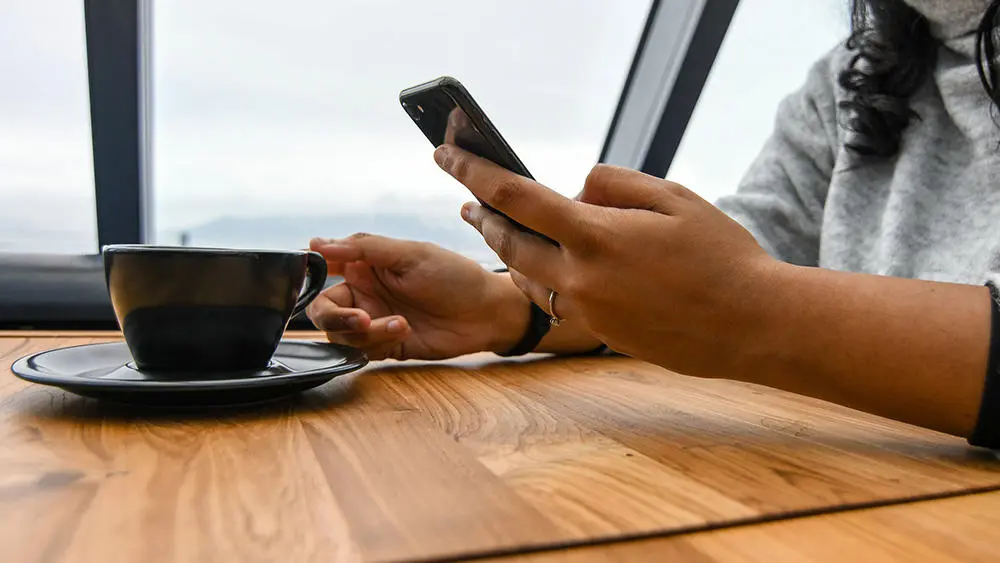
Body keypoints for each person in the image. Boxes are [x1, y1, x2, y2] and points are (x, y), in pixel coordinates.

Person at [307, 0, 1000, 449]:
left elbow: (746, 296)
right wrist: (506, 308)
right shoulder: (849, 79)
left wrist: (748, 307)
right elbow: (738, 265)